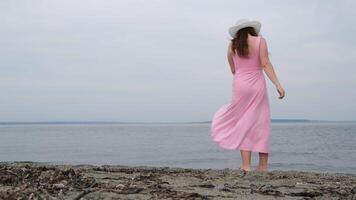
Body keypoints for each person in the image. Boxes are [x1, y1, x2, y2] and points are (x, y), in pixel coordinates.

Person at [211, 18, 285, 172]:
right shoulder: (260, 41)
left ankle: (246, 166)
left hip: (240, 85)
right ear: (252, 29)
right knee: (261, 123)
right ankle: (263, 166)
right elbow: (265, 64)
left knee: (244, 123)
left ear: (237, 31)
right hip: (256, 83)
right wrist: (277, 84)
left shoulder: (232, 45)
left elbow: (233, 70)